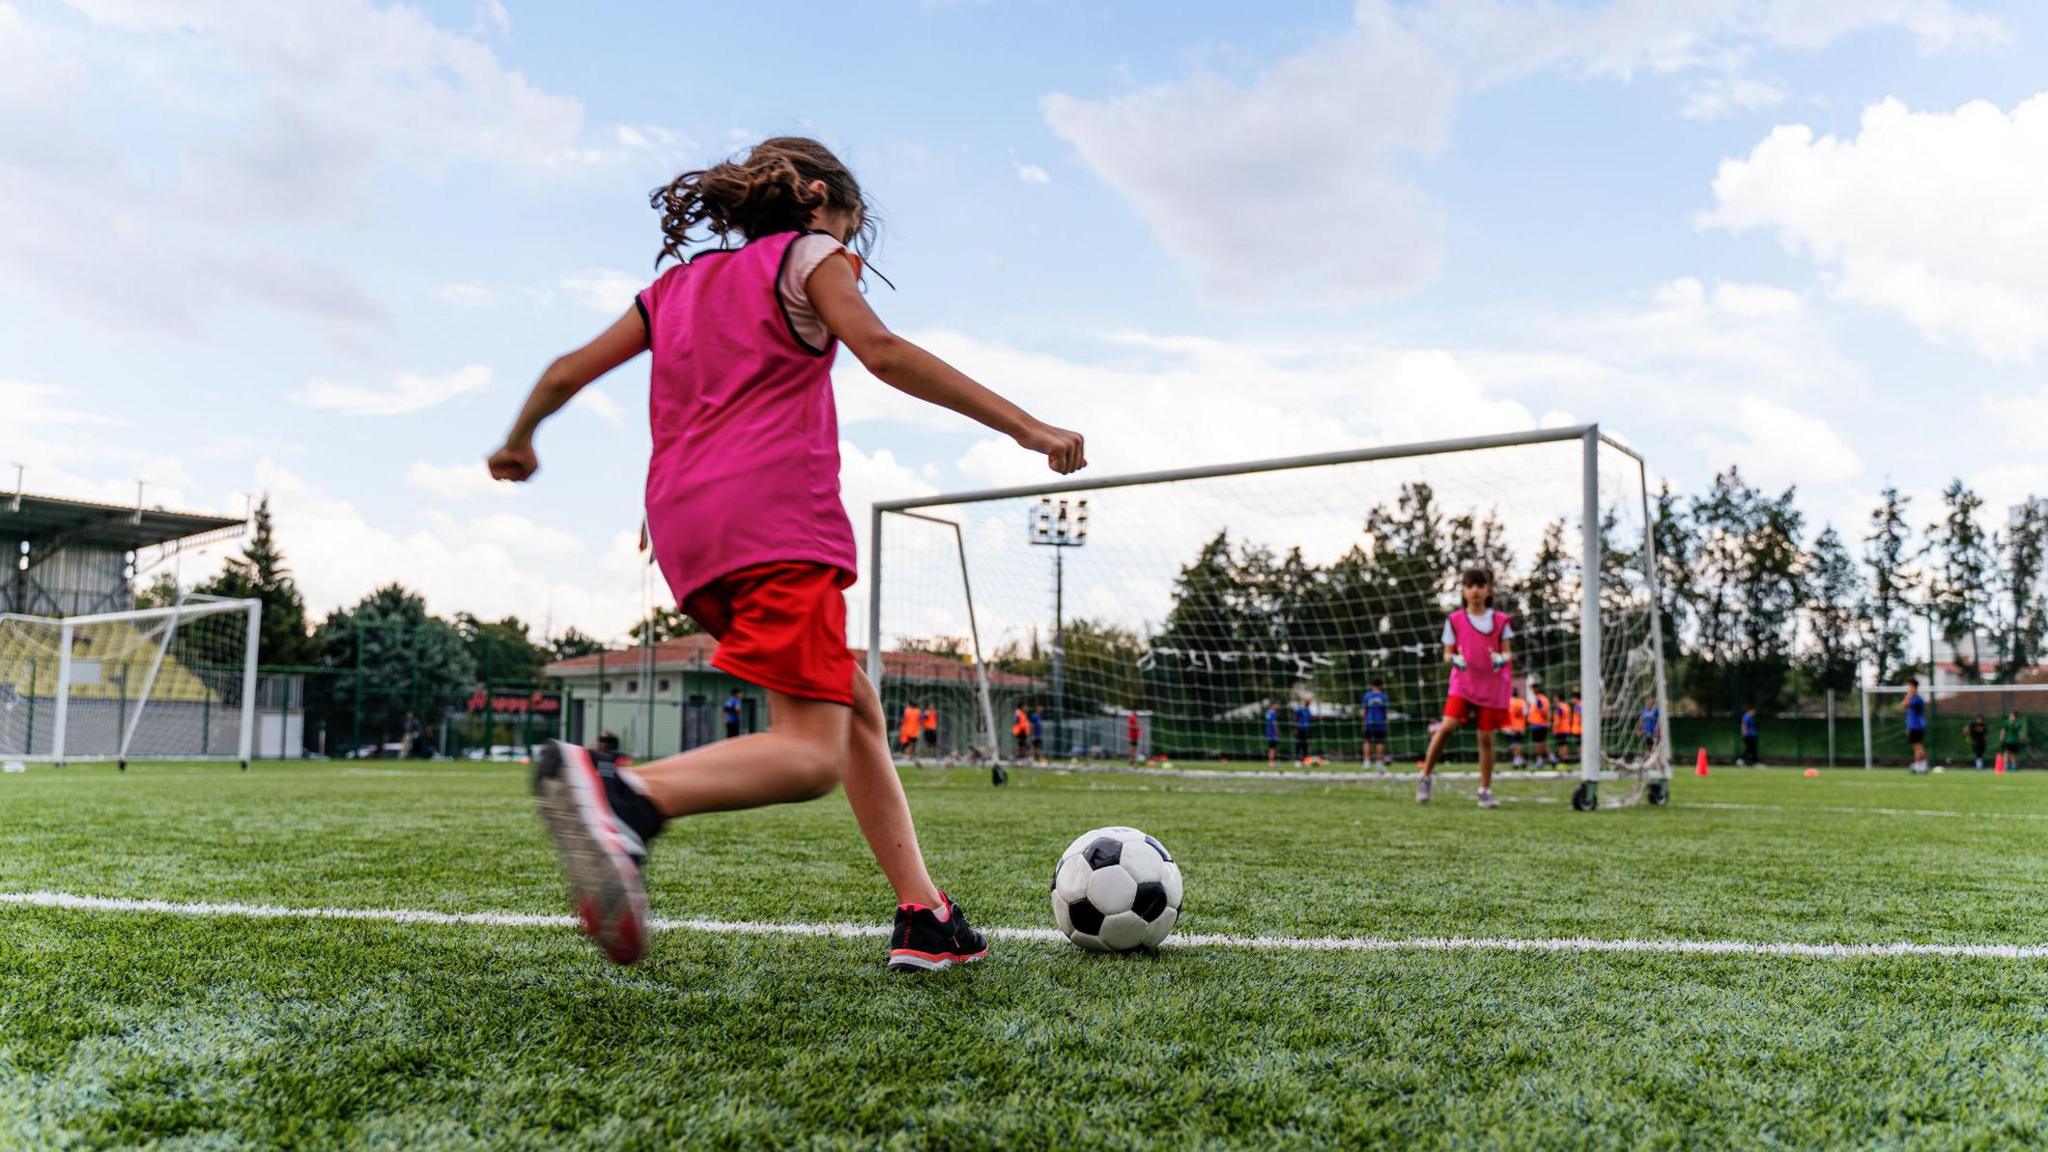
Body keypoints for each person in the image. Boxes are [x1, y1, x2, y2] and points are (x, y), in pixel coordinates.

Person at [491, 137, 1085, 971]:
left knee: (858, 710)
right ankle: (627, 795)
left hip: (687, 536)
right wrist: (1028, 426)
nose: (851, 244)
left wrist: (519, 441)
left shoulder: (674, 287)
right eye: (851, 224)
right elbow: (883, 352)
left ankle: (925, 915)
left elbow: (563, 371)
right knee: (810, 753)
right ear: (816, 197)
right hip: (774, 523)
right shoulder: (811, 257)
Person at [1416, 567, 1513, 808]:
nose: (1475, 591)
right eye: (1470, 586)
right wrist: (1455, 660)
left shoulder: (1501, 621)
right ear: (1463, 590)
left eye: (1480, 585)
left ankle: (1485, 790)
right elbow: (1447, 653)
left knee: (1486, 738)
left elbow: (1507, 651)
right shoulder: (1455, 620)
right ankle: (1425, 777)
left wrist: (1502, 658)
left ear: (1488, 590)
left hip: (1491, 685)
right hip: (1463, 682)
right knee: (1447, 726)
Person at [1360, 680, 1390, 771]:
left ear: (1371, 685)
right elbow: (1386, 712)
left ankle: (1367, 762)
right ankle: (1379, 763)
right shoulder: (1383, 696)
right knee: (1380, 742)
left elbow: (1364, 711)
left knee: (1367, 741)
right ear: (1380, 686)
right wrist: (1386, 723)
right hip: (1380, 722)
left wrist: (1363, 722)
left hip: (1369, 722)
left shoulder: (1367, 695)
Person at [1902, 679, 1928, 773]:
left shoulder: (1917, 698)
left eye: (1909, 687)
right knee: (1918, 746)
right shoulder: (1914, 698)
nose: (1908, 689)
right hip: (1914, 726)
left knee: (1917, 746)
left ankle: (1918, 766)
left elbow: (1904, 705)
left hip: (1916, 726)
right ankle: (1923, 766)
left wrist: (1908, 695)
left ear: (1914, 687)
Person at [1525, 684, 1553, 769]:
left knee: (1538, 744)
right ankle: (1552, 759)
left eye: (1533, 689)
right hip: (1538, 724)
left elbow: (1543, 711)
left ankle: (1540, 761)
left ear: (1536, 689)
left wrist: (1547, 721)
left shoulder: (1540, 699)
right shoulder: (1540, 699)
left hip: (1539, 725)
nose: (1532, 691)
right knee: (1542, 744)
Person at [1505, 690, 1529, 768]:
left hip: (1511, 726)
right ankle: (1519, 759)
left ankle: (1517, 759)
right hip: (1520, 726)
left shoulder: (1508, 702)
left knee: (1513, 743)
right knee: (1519, 742)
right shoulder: (1522, 702)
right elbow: (1525, 713)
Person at [1294, 697, 1314, 764]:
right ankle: (1297, 760)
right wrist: (1296, 728)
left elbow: (1310, 719)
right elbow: (1296, 719)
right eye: (1308, 702)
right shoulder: (1300, 709)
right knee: (1299, 744)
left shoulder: (1308, 710)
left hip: (1306, 729)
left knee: (1305, 745)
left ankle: (1305, 760)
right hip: (1300, 729)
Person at [1263, 701, 1280, 767]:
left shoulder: (1268, 712)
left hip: (1269, 732)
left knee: (1272, 747)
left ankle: (1271, 762)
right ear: (1273, 705)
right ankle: (1271, 762)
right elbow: (1274, 723)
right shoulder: (1272, 712)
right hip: (1272, 733)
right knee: (1272, 748)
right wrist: (1277, 732)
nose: (1278, 706)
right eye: (1277, 705)